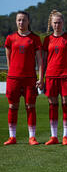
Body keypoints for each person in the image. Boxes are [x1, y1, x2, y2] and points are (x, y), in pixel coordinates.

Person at [3, 11, 43, 145]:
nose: (21, 22)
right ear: (16, 22)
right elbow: (8, 57)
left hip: (30, 78)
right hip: (13, 78)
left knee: (30, 107)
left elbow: (40, 61)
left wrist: (40, 77)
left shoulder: (34, 38)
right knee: (13, 106)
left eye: (24, 20)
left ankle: (32, 137)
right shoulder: (10, 38)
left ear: (28, 21)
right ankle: (12, 137)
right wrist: (11, 72)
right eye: (19, 20)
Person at [42, 10, 67, 145]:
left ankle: (65, 136)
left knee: (66, 105)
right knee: (53, 106)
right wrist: (42, 77)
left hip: (65, 76)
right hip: (51, 76)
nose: (57, 25)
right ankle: (54, 136)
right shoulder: (47, 40)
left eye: (59, 22)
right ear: (51, 24)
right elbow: (44, 61)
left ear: (63, 23)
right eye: (55, 23)